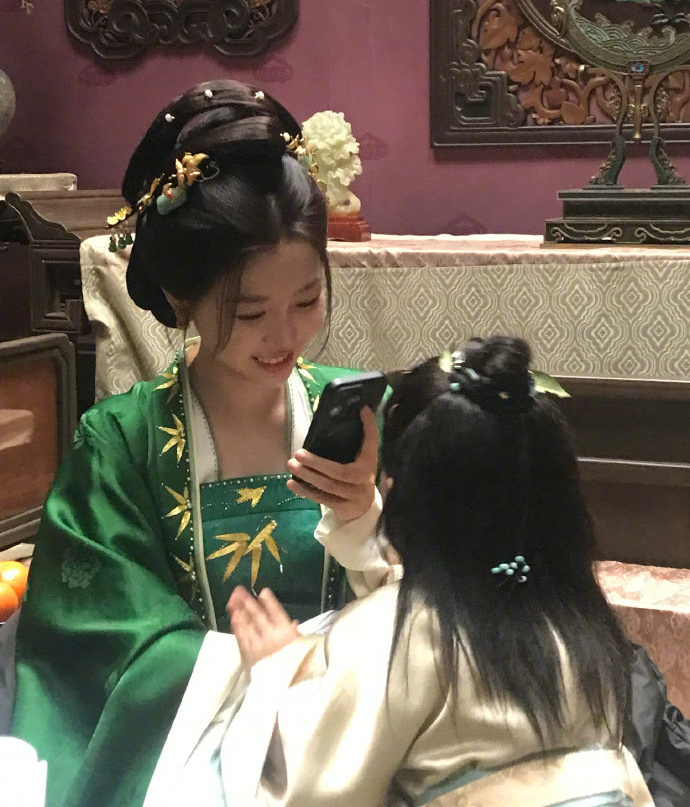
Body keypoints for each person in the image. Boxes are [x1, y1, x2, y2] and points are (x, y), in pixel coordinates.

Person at [10, 80, 390, 807]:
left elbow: (438, 609)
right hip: (201, 752)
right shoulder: (122, 445)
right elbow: (97, 645)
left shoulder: (366, 415)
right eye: (249, 314)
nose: (284, 336)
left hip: (357, 728)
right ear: (180, 299)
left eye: (307, 300)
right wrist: (257, 668)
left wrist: (365, 523)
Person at [143, 336, 653, 807]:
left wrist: (277, 671)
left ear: (398, 491)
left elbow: (314, 793)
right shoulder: (583, 622)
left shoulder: (393, 637)